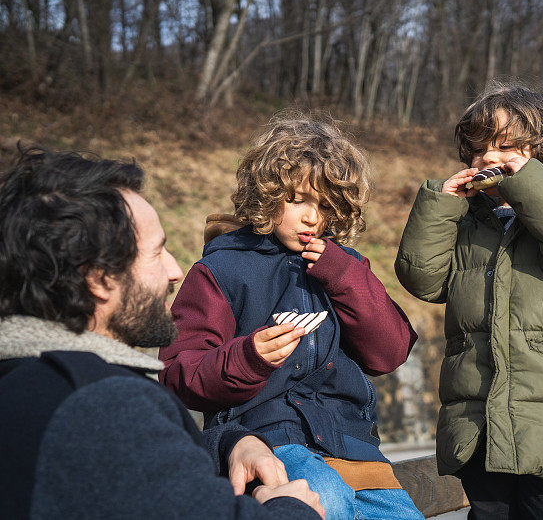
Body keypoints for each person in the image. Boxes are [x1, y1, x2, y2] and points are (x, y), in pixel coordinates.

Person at [0, 149, 324, 519]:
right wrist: (291, 510)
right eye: (156, 254)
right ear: (98, 278)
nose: (174, 271)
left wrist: (228, 444)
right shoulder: (101, 401)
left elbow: (130, 478)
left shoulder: (29, 382)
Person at [159, 116, 424, 520]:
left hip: (355, 449)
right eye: (298, 199)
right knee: (326, 503)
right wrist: (246, 358)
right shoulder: (222, 270)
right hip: (270, 444)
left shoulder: (346, 267)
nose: (312, 218)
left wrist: (347, 278)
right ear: (267, 196)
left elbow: (389, 353)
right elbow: (178, 374)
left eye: (326, 205)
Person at [394, 83, 543, 519]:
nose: (489, 158)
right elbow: (422, 279)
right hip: (478, 414)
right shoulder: (467, 225)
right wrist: (441, 205)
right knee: (489, 510)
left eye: (506, 145)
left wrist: (529, 183)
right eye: (480, 149)